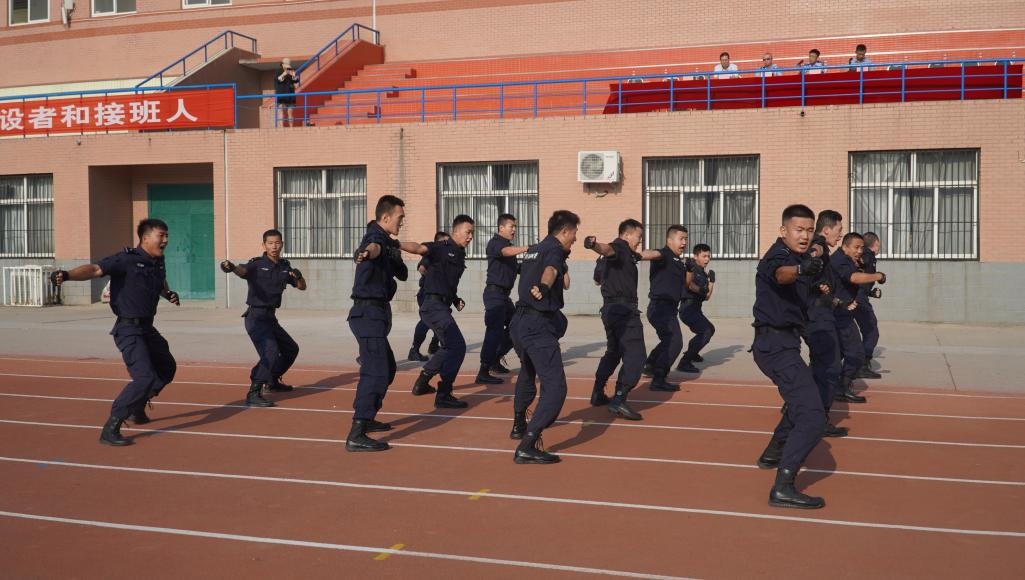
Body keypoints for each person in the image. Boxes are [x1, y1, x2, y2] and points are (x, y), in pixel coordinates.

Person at [50, 219, 180, 446]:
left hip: (147, 327)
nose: (166, 240)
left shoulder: (157, 261)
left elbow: (158, 281)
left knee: (167, 368)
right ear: (146, 237)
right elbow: (95, 269)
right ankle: (111, 427)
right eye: (162, 236)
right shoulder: (126, 259)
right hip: (128, 329)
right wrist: (67, 275)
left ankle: (137, 407)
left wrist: (167, 293)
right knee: (145, 377)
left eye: (167, 236)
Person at [751, 204, 827, 509]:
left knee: (800, 403)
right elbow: (781, 275)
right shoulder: (779, 257)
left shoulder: (800, 254)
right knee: (812, 415)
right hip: (774, 346)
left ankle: (773, 452)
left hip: (784, 343)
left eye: (809, 230)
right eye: (799, 229)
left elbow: (813, 255)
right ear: (783, 231)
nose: (805, 235)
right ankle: (783, 487)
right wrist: (800, 270)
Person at [347, 195, 422, 452]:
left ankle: (367, 418)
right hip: (367, 314)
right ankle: (357, 432)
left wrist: (394, 252)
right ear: (386, 217)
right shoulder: (375, 238)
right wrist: (366, 253)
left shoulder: (388, 242)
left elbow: (400, 273)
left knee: (387, 369)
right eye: (400, 217)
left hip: (376, 315)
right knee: (376, 372)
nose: (402, 222)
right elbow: (371, 249)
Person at [509, 210, 579, 464]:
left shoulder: (534, 249)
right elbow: (550, 270)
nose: (575, 240)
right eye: (574, 234)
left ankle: (518, 423)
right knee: (556, 388)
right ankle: (528, 443)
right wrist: (545, 286)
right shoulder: (554, 250)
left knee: (528, 371)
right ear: (564, 232)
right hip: (537, 324)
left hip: (519, 322)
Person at [586, 219, 666, 421]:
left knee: (613, 352)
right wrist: (594, 245)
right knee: (636, 355)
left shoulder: (621, 255)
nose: (639, 241)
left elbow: (597, 279)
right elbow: (607, 249)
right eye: (639, 237)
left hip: (610, 309)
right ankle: (619, 399)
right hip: (623, 311)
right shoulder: (620, 247)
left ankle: (598, 392)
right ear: (627, 234)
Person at [220, 229, 306, 408]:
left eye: (277, 243)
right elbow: (242, 271)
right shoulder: (257, 264)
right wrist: (231, 266)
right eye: (270, 243)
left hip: (270, 318)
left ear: (282, 244)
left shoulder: (284, 266)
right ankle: (253, 392)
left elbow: (301, 287)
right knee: (270, 352)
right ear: (264, 245)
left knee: (291, 349)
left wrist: (298, 276)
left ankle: (272, 381)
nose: (274, 246)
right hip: (256, 317)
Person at [409, 215, 475, 408]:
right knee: (457, 346)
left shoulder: (460, 253)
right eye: (468, 232)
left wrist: (455, 299)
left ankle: (423, 381)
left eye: (472, 233)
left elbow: (449, 282)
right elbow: (419, 249)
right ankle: (444, 393)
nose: (470, 236)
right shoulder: (441, 247)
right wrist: (394, 242)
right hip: (433, 306)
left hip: (442, 306)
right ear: (456, 231)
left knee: (448, 346)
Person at [801, 211, 855, 432]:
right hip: (817, 319)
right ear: (826, 230)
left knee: (818, 365)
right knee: (830, 367)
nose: (840, 235)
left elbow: (818, 283)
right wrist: (812, 255)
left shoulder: (823, 252)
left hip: (818, 315)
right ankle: (819, 418)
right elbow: (813, 252)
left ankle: (797, 405)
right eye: (839, 231)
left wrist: (837, 301)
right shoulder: (819, 245)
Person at [831, 232, 887, 400]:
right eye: (856, 247)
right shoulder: (840, 260)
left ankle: (839, 387)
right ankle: (838, 387)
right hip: (836, 315)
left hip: (842, 312)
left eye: (862, 248)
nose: (860, 251)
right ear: (845, 247)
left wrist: (869, 292)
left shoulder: (847, 260)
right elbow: (853, 278)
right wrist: (879, 276)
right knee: (854, 352)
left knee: (836, 354)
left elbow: (848, 284)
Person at [478, 214, 530, 384]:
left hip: (504, 297)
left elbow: (519, 268)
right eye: (511, 227)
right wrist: (528, 248)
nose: (514, 230)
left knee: (516, 326)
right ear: (501, 228)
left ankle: (495, 359)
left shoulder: (509, 248)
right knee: (494, 331)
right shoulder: (496, 244)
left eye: (515, 227)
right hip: (494, 295)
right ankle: (483, 370)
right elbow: (505, 252)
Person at [642, 225, 690, 392]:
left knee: (668, 340)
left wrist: (689, 269)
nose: (684, 242)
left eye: (686, 239)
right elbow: (651, 254)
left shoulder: (678, 262)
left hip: (669, 308)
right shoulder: (664, 254)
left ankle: (650, 365)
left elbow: (686, 285)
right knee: (675, 342)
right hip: (660, 307)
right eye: (681, 238)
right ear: (669, 240)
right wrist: (633, 254)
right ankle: (659, 379)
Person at [408, 231, 449, 362]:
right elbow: (421, 268)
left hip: (441, 294)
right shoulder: (431, 254)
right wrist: (432, 277)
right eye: (445, 242)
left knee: (444, 319)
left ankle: (433, 346)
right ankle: (414, 350)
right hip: (427, 293)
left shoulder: (446, 256)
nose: (447, 245)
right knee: (426, 322)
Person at [677, 243, 716, 372]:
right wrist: (700, 289)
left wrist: (711, 283)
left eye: (708, 256)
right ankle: (685, 362)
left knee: (709, 329)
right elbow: (688, 284)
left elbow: (707, 297)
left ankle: (692, 353)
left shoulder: (704, 274)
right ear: (695, 256)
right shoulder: (691, 268)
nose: (707, 259)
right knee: (706, 331)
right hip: (688, 308)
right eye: (704, 256)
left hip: (695, 308)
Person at [854, 231, 882, 374]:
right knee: (871, 331)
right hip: (858, 300)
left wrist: (870, 292)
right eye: (879, 245)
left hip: (858, 296)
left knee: (848, 333)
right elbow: (858, 275)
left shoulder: (865, 256)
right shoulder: (866, 255)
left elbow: (860, 280)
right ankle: (863, 365)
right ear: (875, 244)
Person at [275, 58, 299, 127]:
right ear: (282, 64)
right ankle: (281, 128)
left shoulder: (291, 71)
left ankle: (291, 128)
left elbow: (296, 82)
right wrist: (284, 74)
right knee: (281, 112)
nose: (287, 66)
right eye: (286, 65)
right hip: (281, 94)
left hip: (290, 94)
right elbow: (277, 80)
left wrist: (294, 75)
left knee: (290, 112)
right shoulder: (278, 71)